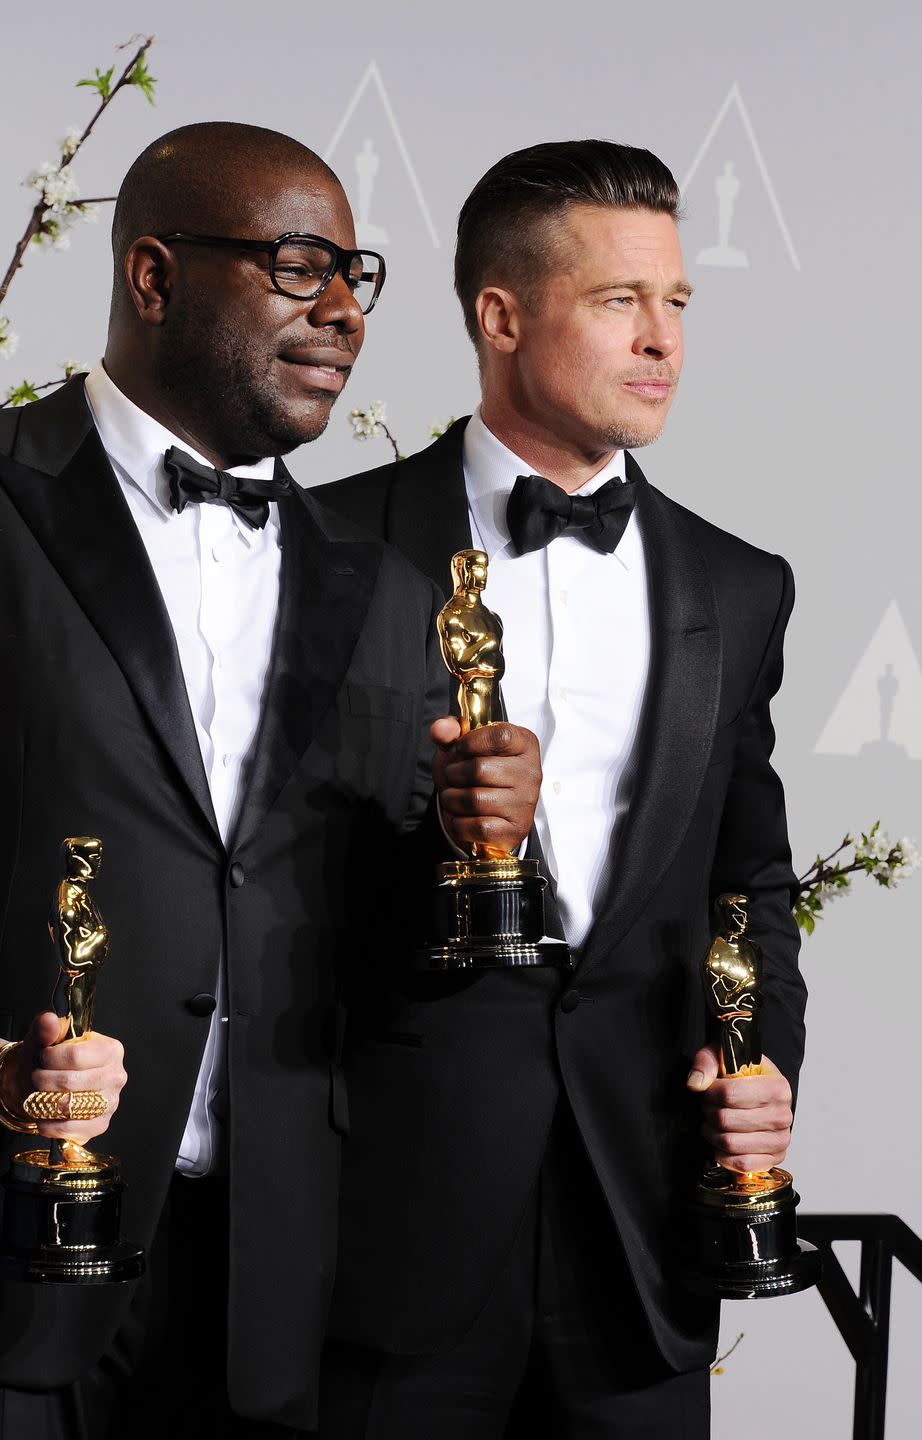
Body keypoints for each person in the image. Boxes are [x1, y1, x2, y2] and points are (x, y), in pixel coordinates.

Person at [0, 122, 539, 1439]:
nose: (343, 309)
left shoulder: (384, 586)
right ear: (152, 276)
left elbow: (383, 941)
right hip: (19, 1224)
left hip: (274, 1273)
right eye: (297, 266)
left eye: (356, 272)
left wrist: (477, 849)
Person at [318, 139, 807, 1438]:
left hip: (641, 1235)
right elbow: (264, 887)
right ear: (499, 315)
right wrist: (433, 841)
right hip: (390, 1234)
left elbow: (745, 878)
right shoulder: (324, 553)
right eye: (617, 302)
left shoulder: (735, 583)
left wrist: (762, 1072)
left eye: (677, 304)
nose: (661, 341)